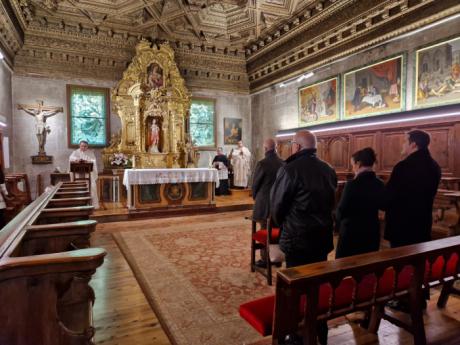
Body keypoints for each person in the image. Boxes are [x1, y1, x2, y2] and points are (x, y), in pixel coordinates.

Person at [270, 130, 337, 345]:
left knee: (296, 287)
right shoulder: (328, 169)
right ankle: (319, 327)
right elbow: (331, 203)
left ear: (297, 147)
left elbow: (277, 206)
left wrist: (283, 224)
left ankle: (297, 334)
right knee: (316, 284)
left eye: (291, 144)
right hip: (321, 237)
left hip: (298, 238)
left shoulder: (289, 169)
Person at [384, 130, 441, 247]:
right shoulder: (435, 166)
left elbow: (389, 197)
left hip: (401, 226)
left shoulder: (403, 166)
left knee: (400, 262)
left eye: (405, 141)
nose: (403, 145)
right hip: (423, 223)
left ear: (413, 144)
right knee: (419, 261)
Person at [335, 147, 384, 259]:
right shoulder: (379, 183)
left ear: (358, 163)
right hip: (371, 230)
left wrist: (336, 220)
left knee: (346, 267)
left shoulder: (352, 184)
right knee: (367, 266)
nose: (353, 169)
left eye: (353, 165)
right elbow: (383, 205)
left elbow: (342, 210)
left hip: (352, 232)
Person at [252, 138, 284, 267]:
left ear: (265, 149)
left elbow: (255, 185)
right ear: (276, 148)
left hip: (264, 204)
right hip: (280, 203)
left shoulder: (262, 164)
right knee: (277, 229)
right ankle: (277, 259)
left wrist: (256, 197)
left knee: (265, 229)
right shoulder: (283, 163)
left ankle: (266, 260)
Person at [69, 140, 99, 209]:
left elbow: (94, 161)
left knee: (92, 188)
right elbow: (70, 158)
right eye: (82, 146)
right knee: (78, 188)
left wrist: (88, 161)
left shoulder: (90, 153)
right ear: (79, 146)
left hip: (88, 174)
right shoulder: (75, 152)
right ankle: (79, 204)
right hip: (78, 174)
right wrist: (77, 160)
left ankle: (92, 204)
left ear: (87, 146)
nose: (83, 147)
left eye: (85, 146)